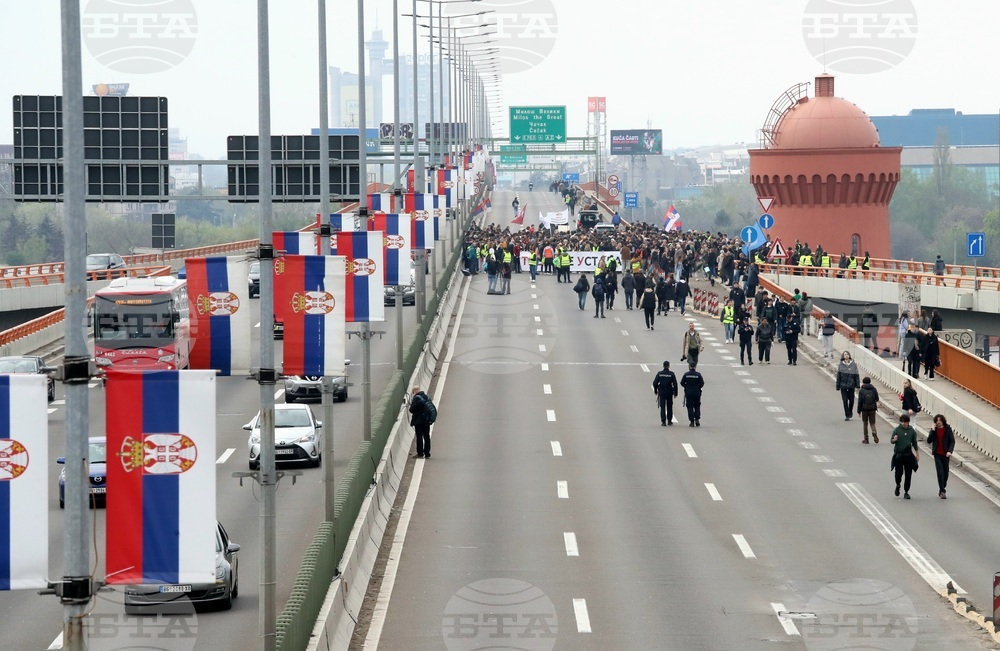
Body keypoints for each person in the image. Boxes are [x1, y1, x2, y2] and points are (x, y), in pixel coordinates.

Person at [890, 414, 919, 499]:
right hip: (899, 454)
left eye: (905, 422)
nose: (903, 423)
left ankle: (906, 491)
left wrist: (917, 453)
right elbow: (891, 440)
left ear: (908, 422)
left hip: (908, 454)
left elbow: (914, 443)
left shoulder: (912, 431)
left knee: (908, 474)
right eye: (902, 421)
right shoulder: (897, 430)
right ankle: (898, 484)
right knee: (898, 473)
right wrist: (894, 440)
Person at [927, 414, 955, 499]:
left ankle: (942, 486)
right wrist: (932, 430)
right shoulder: (934, 430)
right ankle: (942, 491)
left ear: (943, 421)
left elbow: (952, 441)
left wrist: (949, 451)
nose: (938, 422)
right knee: (940, 472)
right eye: (937, 421)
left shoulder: (947, 429)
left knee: (945, 473)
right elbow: (929, 441)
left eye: (940, 420)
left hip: (945, 454)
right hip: (937, 454)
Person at [409, 386, 433, 458]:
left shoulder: (416, 398)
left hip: (419, 421)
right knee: (426, 436)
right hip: (426, 420)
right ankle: (427, 453)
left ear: (414, 391)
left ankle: (420, 453)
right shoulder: (427, 397)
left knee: (419, 437)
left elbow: (412, 410)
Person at [652, 361, 678, 426]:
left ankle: (663, 421)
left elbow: (655, 383)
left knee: (662, 406)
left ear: (663, 366)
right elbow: (675, 384)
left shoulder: (659, 373)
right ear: (669, 366)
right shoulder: (671, 374)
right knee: (669, 406)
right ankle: (669, 421)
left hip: (662, 391)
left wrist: (655, 390)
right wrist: (675, 393)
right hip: (669, 392)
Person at [835, 351, 860, 420]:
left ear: (849, 355)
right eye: (845, 354)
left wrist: (857, 385)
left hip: (851, 385)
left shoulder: (853, 365)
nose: (846, 356)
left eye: (847, 354)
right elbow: (838, 376)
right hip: (843, 386)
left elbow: (856, 375)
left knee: (851, 400)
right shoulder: (841, 365)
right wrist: (838, 386)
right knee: (845, 400)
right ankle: (847, 415)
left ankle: (850, 411)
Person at [857, 377, 880, 444]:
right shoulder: (873, 389)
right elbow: (877, 399)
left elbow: (860, 401)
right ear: (870, 382)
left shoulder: (861, 390)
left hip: (864, 408)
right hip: (872, 408)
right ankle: (874, 432)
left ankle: (866, 438)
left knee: (865, 423)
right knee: (872, 423)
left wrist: (859, 411)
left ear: (863, 382)